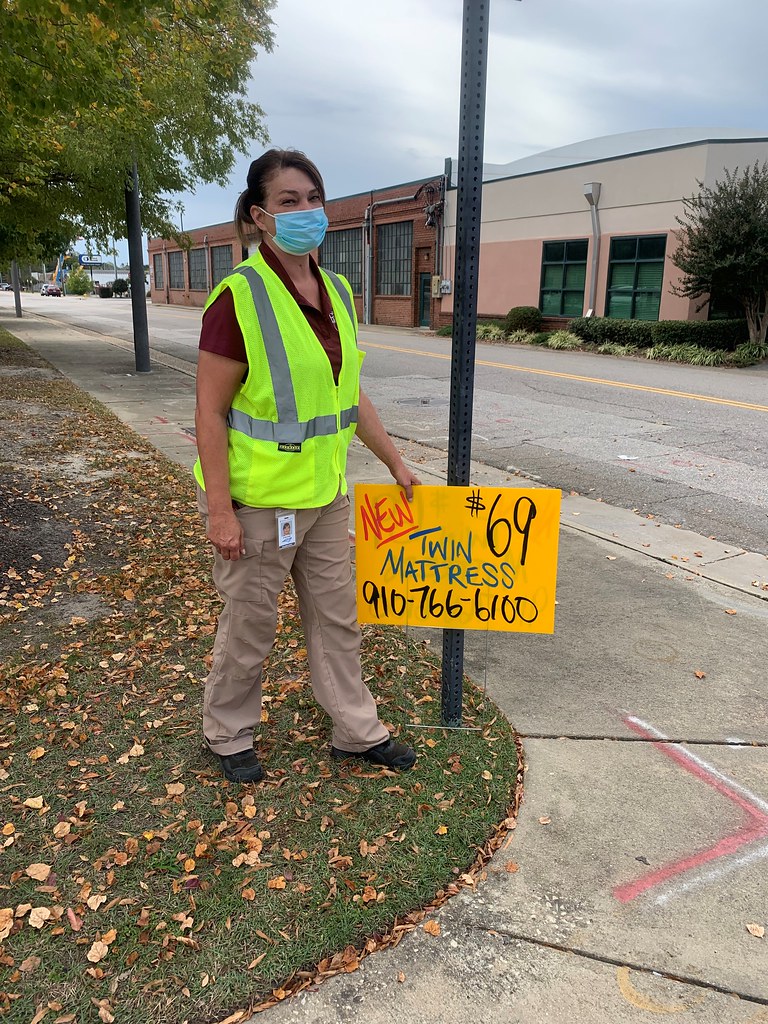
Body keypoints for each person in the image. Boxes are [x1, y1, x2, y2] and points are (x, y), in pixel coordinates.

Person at [194, 148, 421, 783]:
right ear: (259, 215)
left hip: (325, 496)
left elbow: (348, 395)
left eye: (313, 199)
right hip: (261, 501)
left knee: (336, 620)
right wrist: (220, 512)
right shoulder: (236, 298)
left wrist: (396, 462)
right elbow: (209, 414)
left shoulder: (338, 291)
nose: (305, 212)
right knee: (250, 625)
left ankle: (355, 729)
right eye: (288, 202)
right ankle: (229, 732)